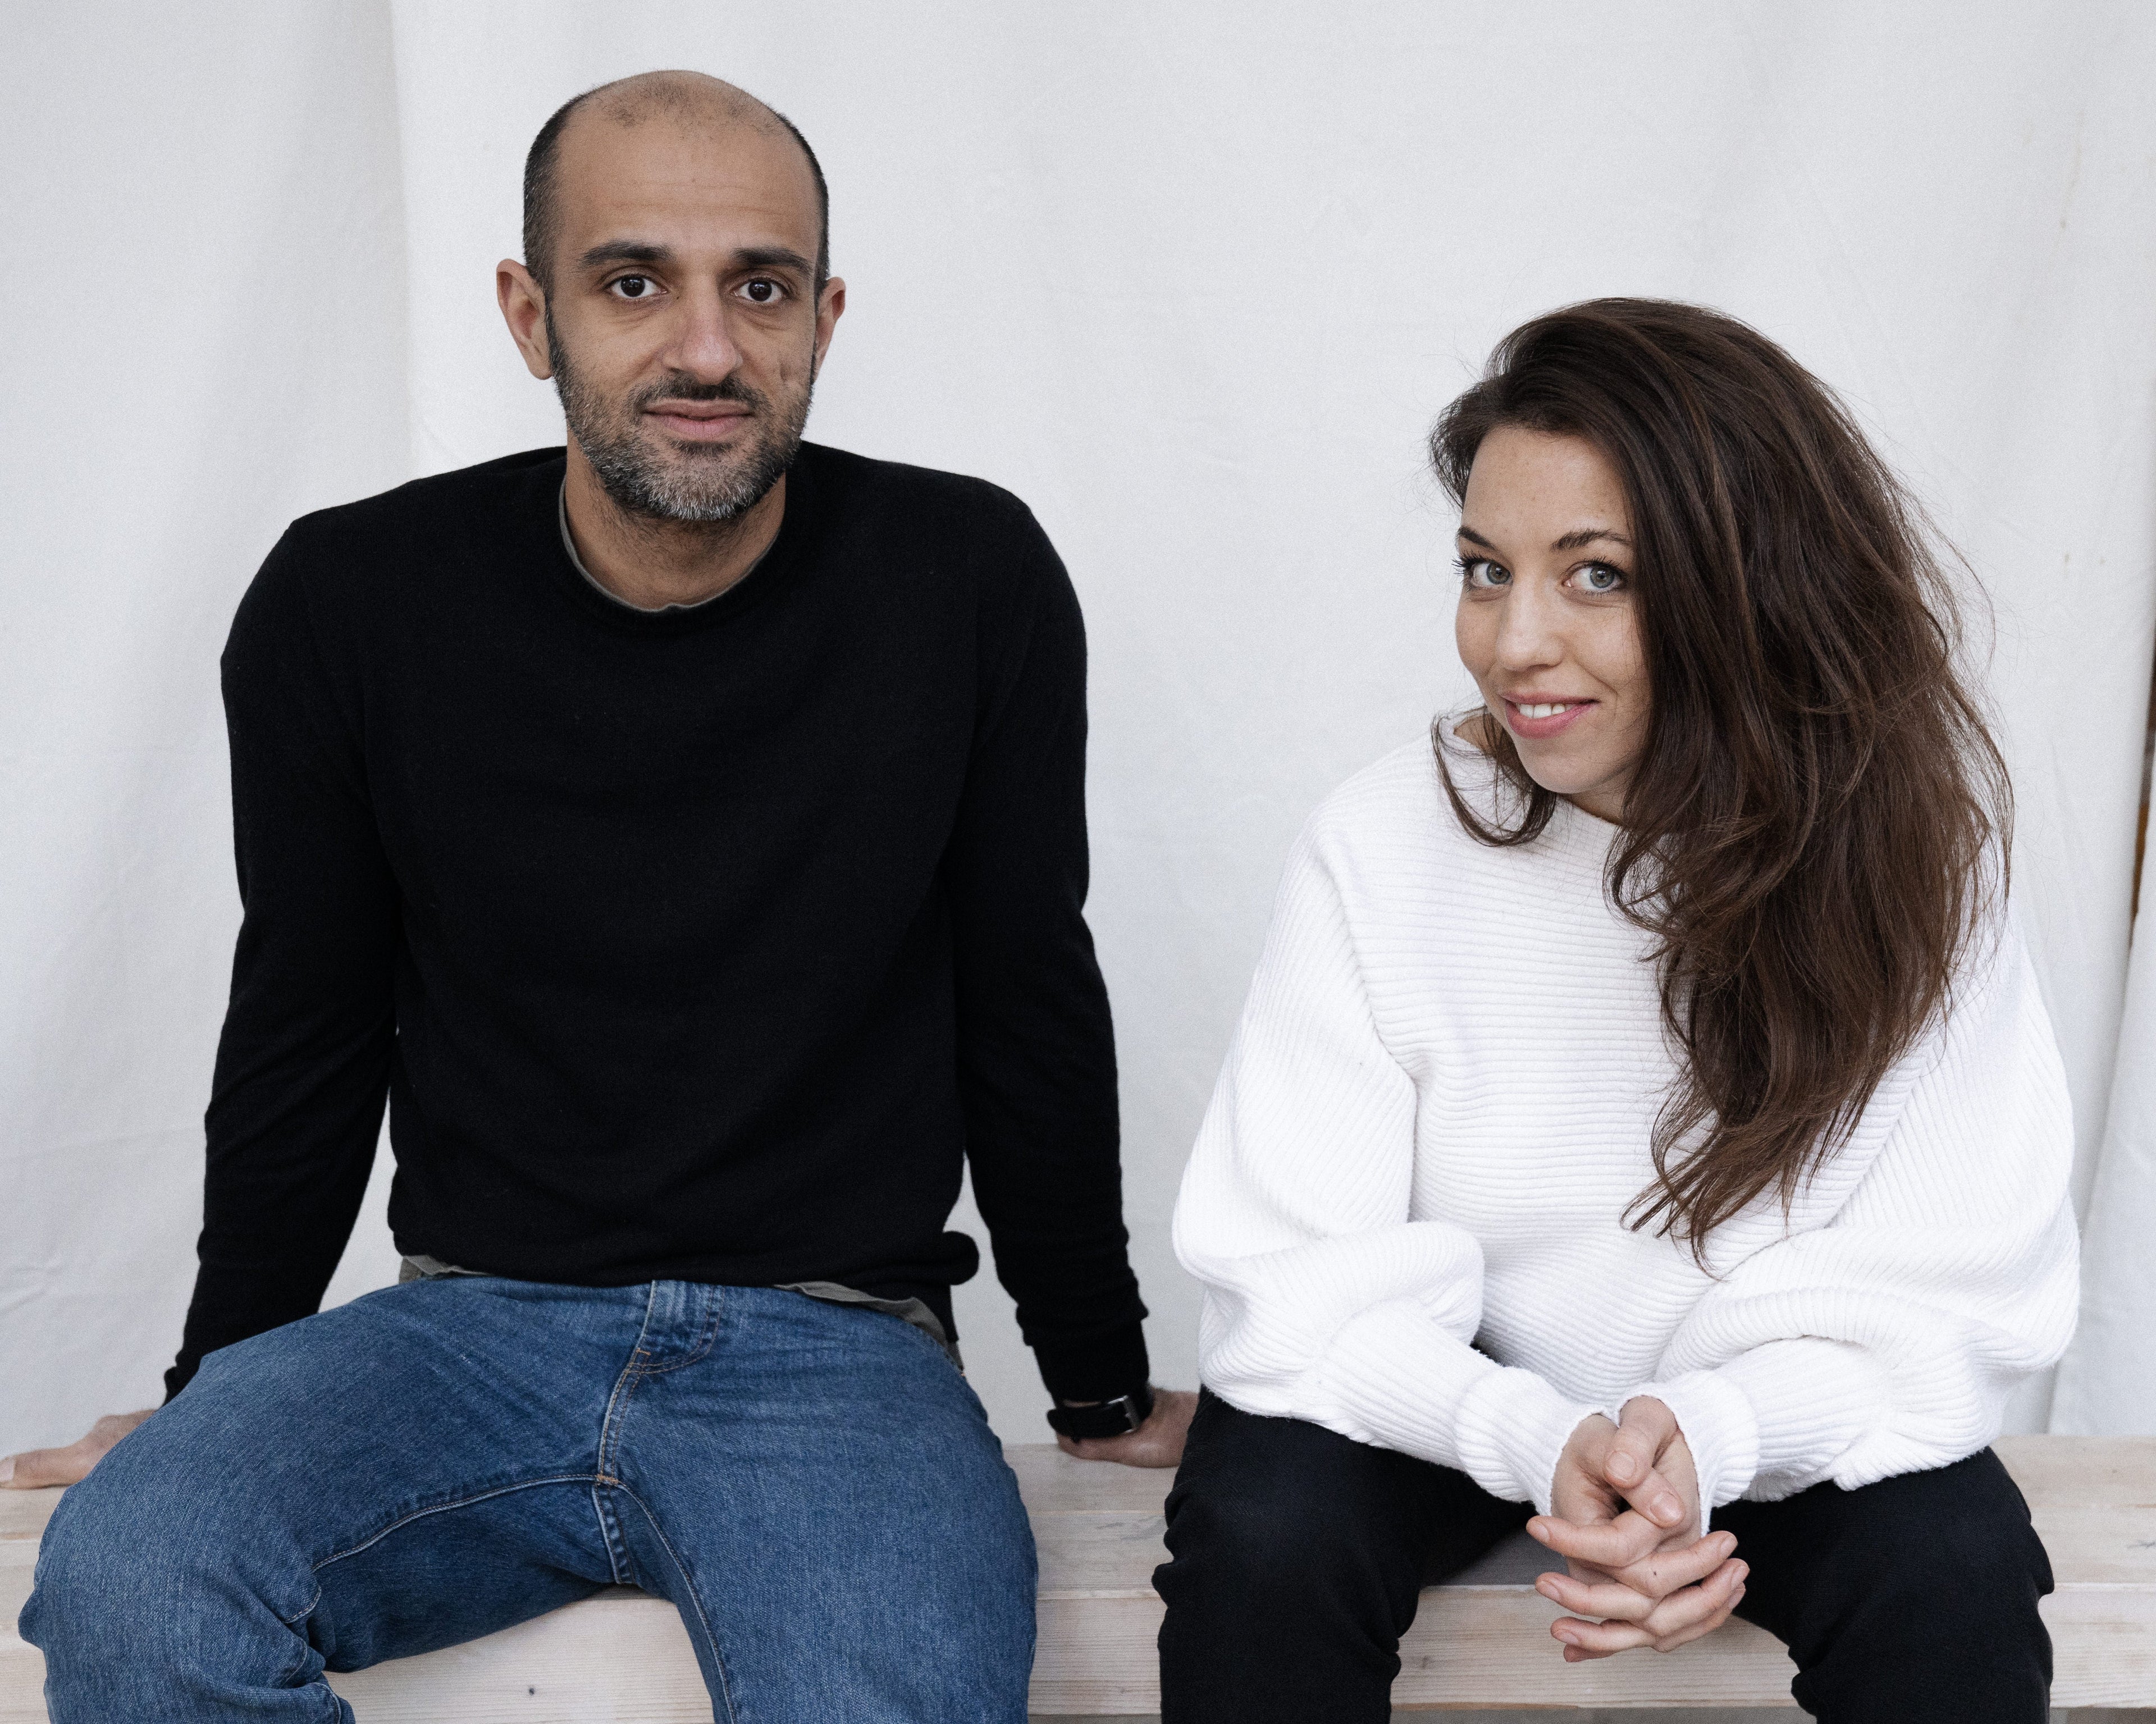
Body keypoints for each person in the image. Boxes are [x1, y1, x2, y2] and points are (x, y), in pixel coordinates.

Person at [13, 68, 1193, 1724]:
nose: (705, 350)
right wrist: (221, 1393)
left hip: (836, 1361)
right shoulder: (349, 602)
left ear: (825, 317)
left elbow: (1029, 996)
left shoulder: (967, 577)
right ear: (529, 309)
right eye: (632, 282)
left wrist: (1096, 1378)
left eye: (760, 287)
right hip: (466, 1340)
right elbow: (306, 1021)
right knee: (137, 1580)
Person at [1153, 299, 2076, 1723]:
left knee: (1950, 1569)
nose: (1514, 641)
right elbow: (1294, 1292)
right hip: (1453, 1407)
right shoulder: (1383, 840)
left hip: (1756, 1415)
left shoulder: (1919, 864)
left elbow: (1948, 1294)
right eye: (1485, 569)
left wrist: (1706, 1438)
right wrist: (1532, 1433)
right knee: (1264, 1527)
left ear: (1748, 584)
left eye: (1595, 576)